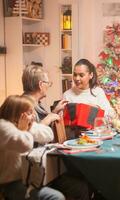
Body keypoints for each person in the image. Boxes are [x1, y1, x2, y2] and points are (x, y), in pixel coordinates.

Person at [22, 64, 91, 200]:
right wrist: (48, 119)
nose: (49, 86)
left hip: (45, 169)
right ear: (41, 85)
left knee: (82, 179)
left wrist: (53, 113)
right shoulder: (25, 106)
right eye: (48, 83)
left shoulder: (35, 104)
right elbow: (25, 137)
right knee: (80, 186)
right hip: (33, 174)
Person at [0, 95, 65, 200]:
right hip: (11, 183)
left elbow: (49, 134)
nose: (34, 116)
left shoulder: (23, 124)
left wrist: (29, 127)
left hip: (30, 177)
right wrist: (23, 130)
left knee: (76, 186)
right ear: (18, 114)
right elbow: (25, 145)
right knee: (56, 197)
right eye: (30, 113)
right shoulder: (3, 127)